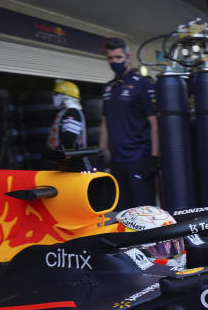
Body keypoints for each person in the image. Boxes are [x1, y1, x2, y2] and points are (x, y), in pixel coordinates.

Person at [99, 37, 159, 208]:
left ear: (127, 56)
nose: (114, 61)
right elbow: (105, 123)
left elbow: (154, 123)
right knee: (122, 211)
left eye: (118, 57)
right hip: (116, 161)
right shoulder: (108, 88)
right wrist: (100, 153)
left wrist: (155, 157)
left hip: (139, 158)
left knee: (143, 211)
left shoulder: (142, 85)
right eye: (110, 58)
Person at [48, 80, 87, 151]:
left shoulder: (72, 112)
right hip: (61, 157)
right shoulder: (64, 112)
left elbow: (70, 139)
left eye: (56, 93)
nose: (53, 96)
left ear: (65, 96)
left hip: (71, 159)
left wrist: (61, 156)